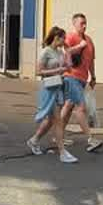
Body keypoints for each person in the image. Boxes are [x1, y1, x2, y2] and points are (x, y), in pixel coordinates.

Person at [27, 25, 76, 162]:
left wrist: (68, 52)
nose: (65, 40)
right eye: (63, 38)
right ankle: (62, 152)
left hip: (58, 87)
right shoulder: (46, 52)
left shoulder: (60, 52)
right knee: (58, 120)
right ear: (56, 38)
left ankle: (34, 140)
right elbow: (38, 71)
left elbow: (69, 67)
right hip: (48, 88)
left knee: (50, 120)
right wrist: (57, 70)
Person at [61, 12, 103, 154]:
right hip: (71, 76)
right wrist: (79, 46)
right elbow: (66, 52)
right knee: (81, 108)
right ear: (74, 24)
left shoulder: (89, 40)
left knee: (68, 107)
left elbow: (91, 61)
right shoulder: (70, 37)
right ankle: (91, 139)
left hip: (82, 79)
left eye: (85, 23)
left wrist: (93, 76)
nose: (84, 26)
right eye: (81, 23)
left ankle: (58, 135)